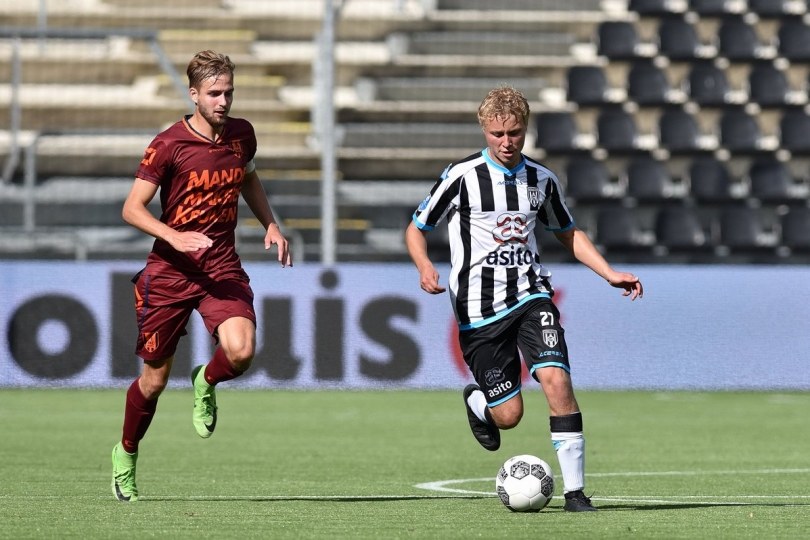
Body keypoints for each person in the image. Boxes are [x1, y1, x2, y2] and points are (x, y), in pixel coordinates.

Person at [404, 86, 643, 512]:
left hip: (531, 296)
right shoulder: (461, 177)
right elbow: (417, 226)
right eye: (498, 133)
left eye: (515, 132)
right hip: (478, 311)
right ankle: (479, 401)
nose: (507, 142)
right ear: (484, 130)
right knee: (509, 415)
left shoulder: (542, 179)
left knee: (556, 377)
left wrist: (609, 273)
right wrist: (424, 266)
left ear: (525, 129)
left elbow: (567, 232)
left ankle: (575, 493)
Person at [111, 50, 293, 502]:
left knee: (242, 350)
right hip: (170, 272)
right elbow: (132, 209)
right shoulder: (169, 144)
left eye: (229, 91)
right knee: (153, 382)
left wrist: (270, 222)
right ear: (194, 94)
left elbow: (248, 178)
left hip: (220, 265)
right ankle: (126, 454)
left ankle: (205, 381)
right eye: (214, 93)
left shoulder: (242, 135)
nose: (223, 100)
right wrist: (175, 236)